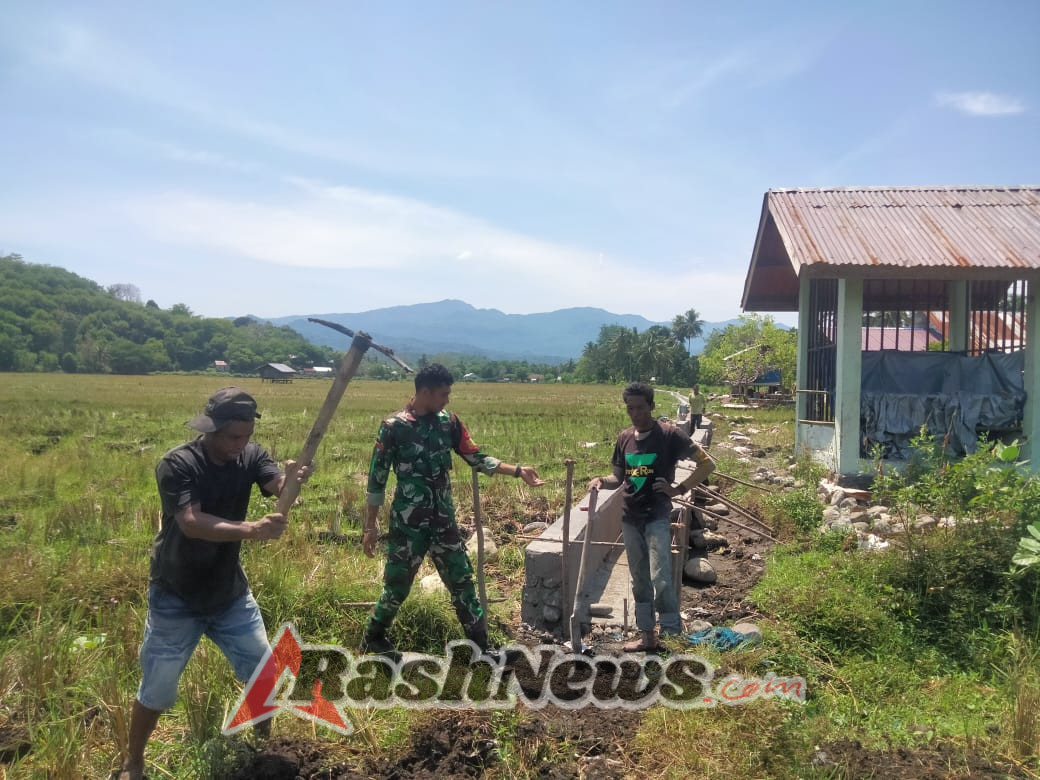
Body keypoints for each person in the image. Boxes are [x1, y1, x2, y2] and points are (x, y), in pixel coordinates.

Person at [119, 387, 310, 780]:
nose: (240, 446)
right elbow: (191, 523)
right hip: (177, 594)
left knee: (264, 671)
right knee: (156, 689)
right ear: (210, 429)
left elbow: (275, 484)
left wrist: (290, 481)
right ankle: (133, 763)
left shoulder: (251, 454)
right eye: (232, 438)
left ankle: (263, 748)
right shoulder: (178, 464)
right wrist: (251, 530)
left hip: (228, 593)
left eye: (246, 436)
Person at [361, 363, 544, 655]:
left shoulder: (448, 422)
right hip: (408, 525)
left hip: (443, 522)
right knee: (397, 586)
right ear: (425, 392)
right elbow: (376, 480)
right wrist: (370, 527)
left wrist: (518, 470)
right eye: (443, 394)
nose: (447, 399)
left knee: (462, 582)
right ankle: (373, 638)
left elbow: (475, 457)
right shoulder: (393, 428)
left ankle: (481, 649)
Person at [588, 382, 713, 652]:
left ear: (652, 406)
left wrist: (678, 488)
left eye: (641, 408)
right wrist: (600, 480)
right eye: (630, 408)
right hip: (630, 518)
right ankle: (647, 637)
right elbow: (618, 478)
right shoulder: (624, 439)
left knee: (661, 577)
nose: (635, 414)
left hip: (656, 516)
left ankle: (671, 636)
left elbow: (707, 464)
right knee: (640, 579)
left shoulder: (669, 435)